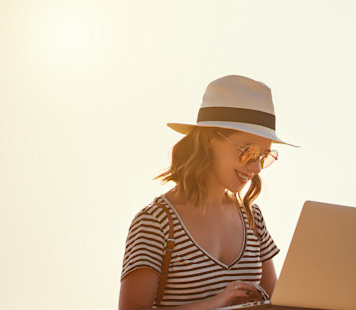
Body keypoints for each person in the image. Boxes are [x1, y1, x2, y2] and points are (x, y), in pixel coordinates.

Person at [118, 75, 299, 309]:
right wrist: (213, 304)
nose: (255, 168)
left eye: (264, 156)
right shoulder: (155, 223)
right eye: (249, 151)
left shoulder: (253, 218)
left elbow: (278, 305)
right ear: (210, 139)